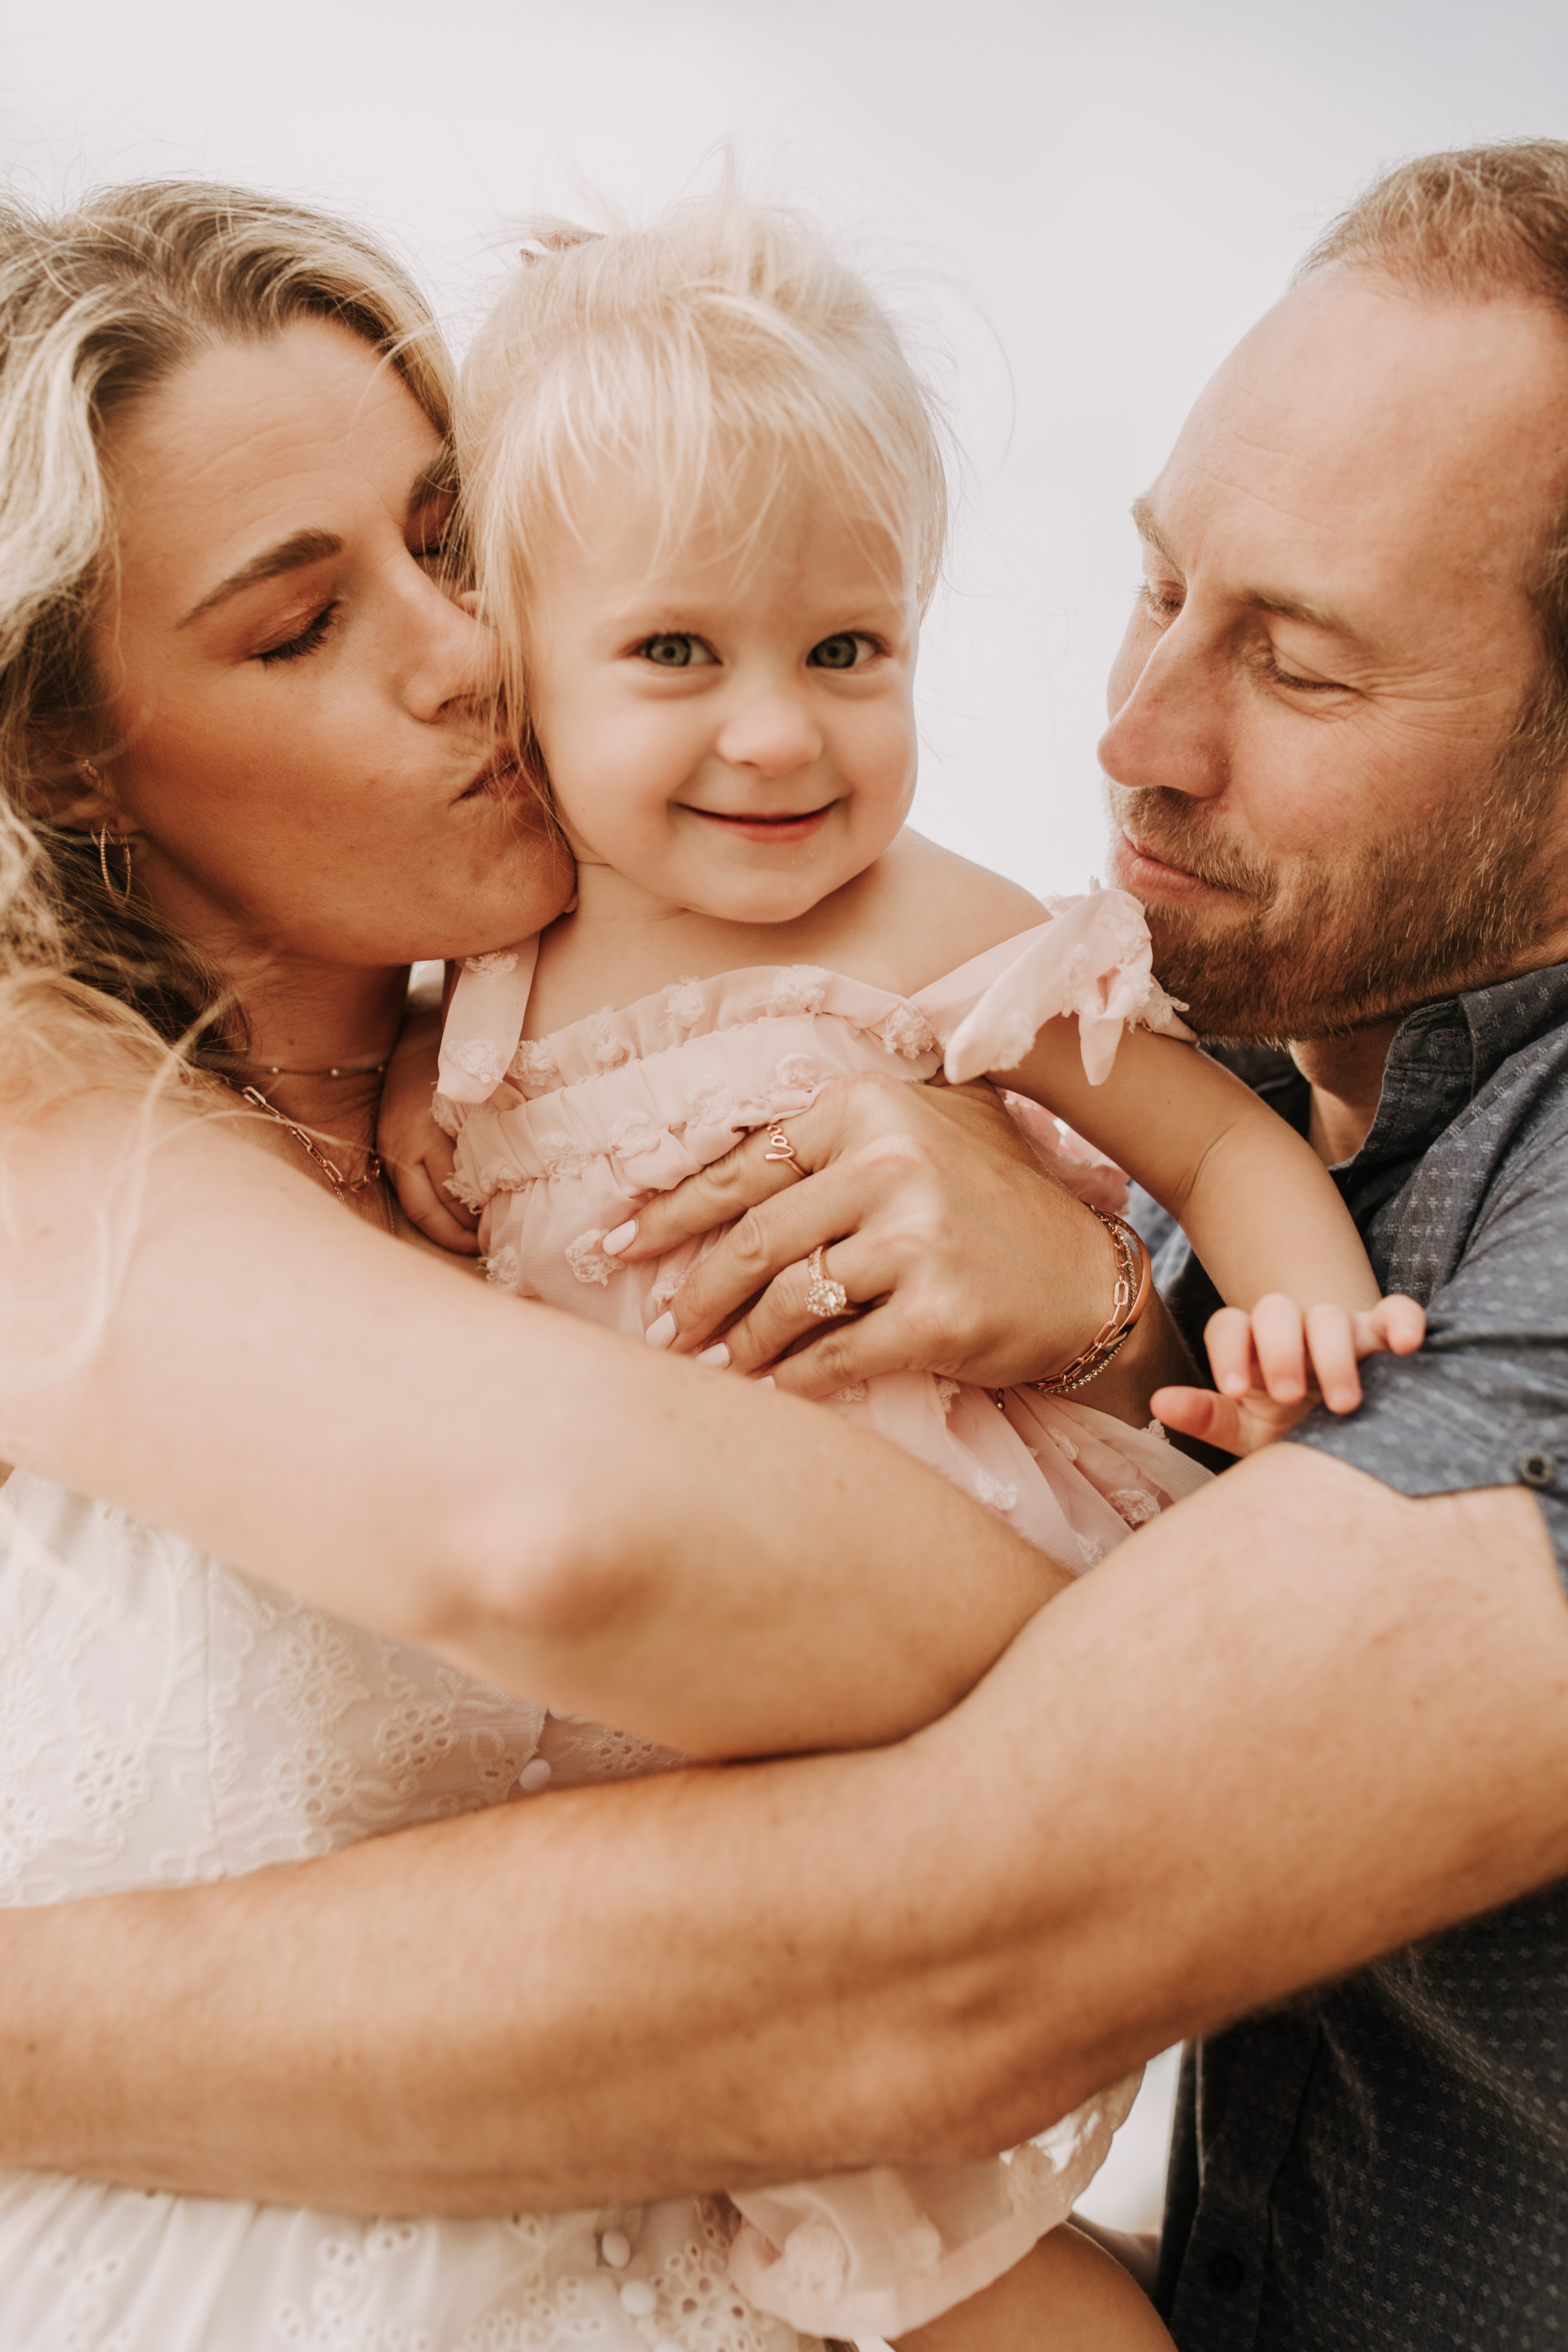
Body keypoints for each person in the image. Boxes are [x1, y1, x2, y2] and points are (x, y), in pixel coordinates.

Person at [4, 136, 1568, 2352]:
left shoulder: (939, 1026)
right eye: (304, 614)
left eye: (454, 544)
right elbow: (607, 1537)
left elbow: (1038, 1842)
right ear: (72, 743)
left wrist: (1111, 1322)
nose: (462, 656)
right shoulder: (92, 1114)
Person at [371, 190, 1422, 2347]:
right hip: (615, 1734)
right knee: (637, 2198)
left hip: (935, 1684)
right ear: (515, 671)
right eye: (679, 655)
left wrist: (1297, 1286)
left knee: (946, 2222)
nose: (780, 736)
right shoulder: (472, 970)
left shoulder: (945, 933)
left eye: (847, 652)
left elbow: (1212, 1134)